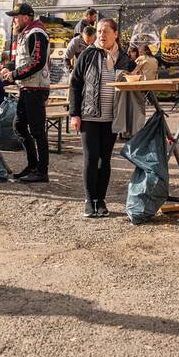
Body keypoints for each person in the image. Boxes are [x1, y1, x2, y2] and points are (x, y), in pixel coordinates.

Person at [68, 17, 134, 218]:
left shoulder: (124, 58)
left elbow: (132, 85)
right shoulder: (88, 54)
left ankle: (101, 200)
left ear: (116, 34)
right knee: (90, 158)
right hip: (89, 116)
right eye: (99, 31)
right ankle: (89, 201)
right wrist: (74, 114)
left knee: (105, 160)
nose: (102, 35)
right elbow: (75, 84)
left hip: (111, 117)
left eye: (106, 31)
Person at [0, 2, 51, 184]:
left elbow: (37, 61)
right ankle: (33, 165)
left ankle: (41, 171)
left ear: (26, 17)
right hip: (27, 87)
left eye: (16, 16)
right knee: (19, 126)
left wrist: (13, 74)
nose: (14, 20)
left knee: (37, 131)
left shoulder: (36, 33)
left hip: (36, 88)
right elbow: (21, 60)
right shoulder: (25, 33)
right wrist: (7, 68)